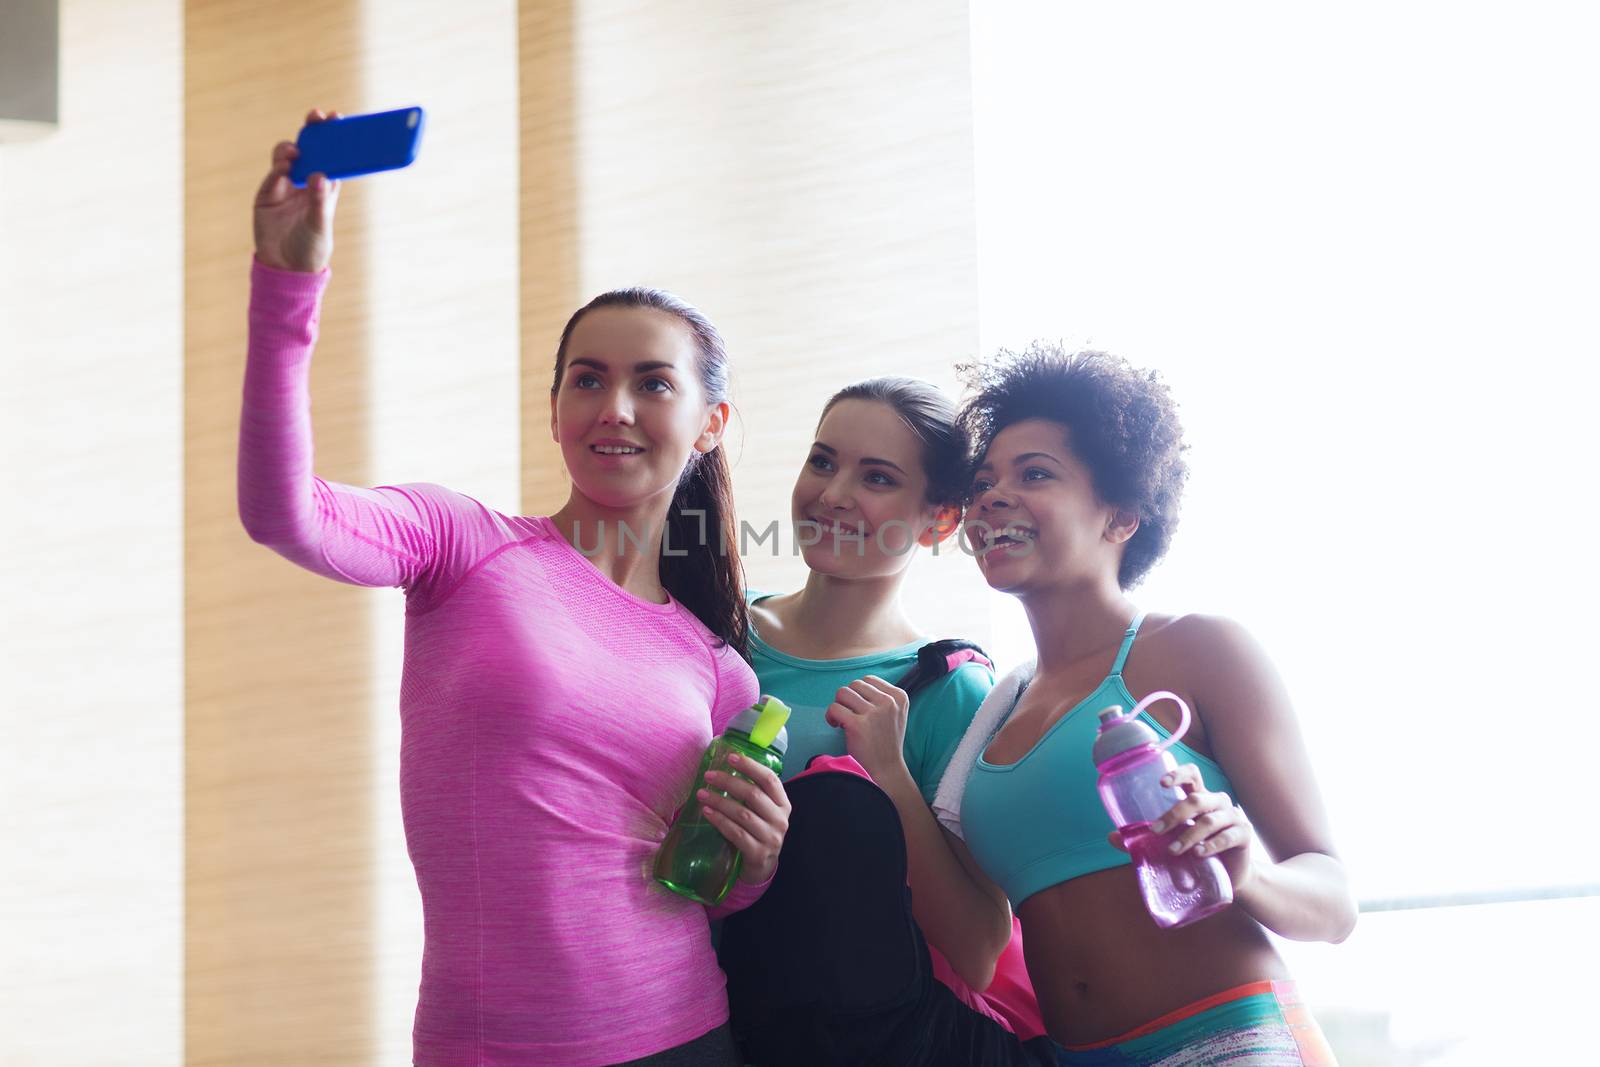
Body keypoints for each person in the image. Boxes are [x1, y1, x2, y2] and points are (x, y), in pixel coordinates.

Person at [240, 109, 789, 1067]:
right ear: (555, 410)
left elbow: (712, 890)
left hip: (685, 1036)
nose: (614, 408)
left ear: (710, 424)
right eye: (587, 379)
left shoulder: (720, 672)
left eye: (653, 383)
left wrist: (757, 863)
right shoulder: (462, 544)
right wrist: (289, 285)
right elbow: (285, 513)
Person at [934, 343, 1356, 1065]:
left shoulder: (1198, 648)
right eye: (983, 482)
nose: (993, 497)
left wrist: (1246, 871)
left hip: (1229, 1042)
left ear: (1122, 515)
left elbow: (1333, 900)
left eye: (1035, 473)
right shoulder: (994, 707)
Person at [718, 379, 1054, 1065]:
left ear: (937, 521)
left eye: (876, 477)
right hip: (686, 1024)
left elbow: (980, 949)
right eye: (823, 460)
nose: (835, 493)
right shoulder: (717, 621)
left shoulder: (950, 690)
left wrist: (892, 777)